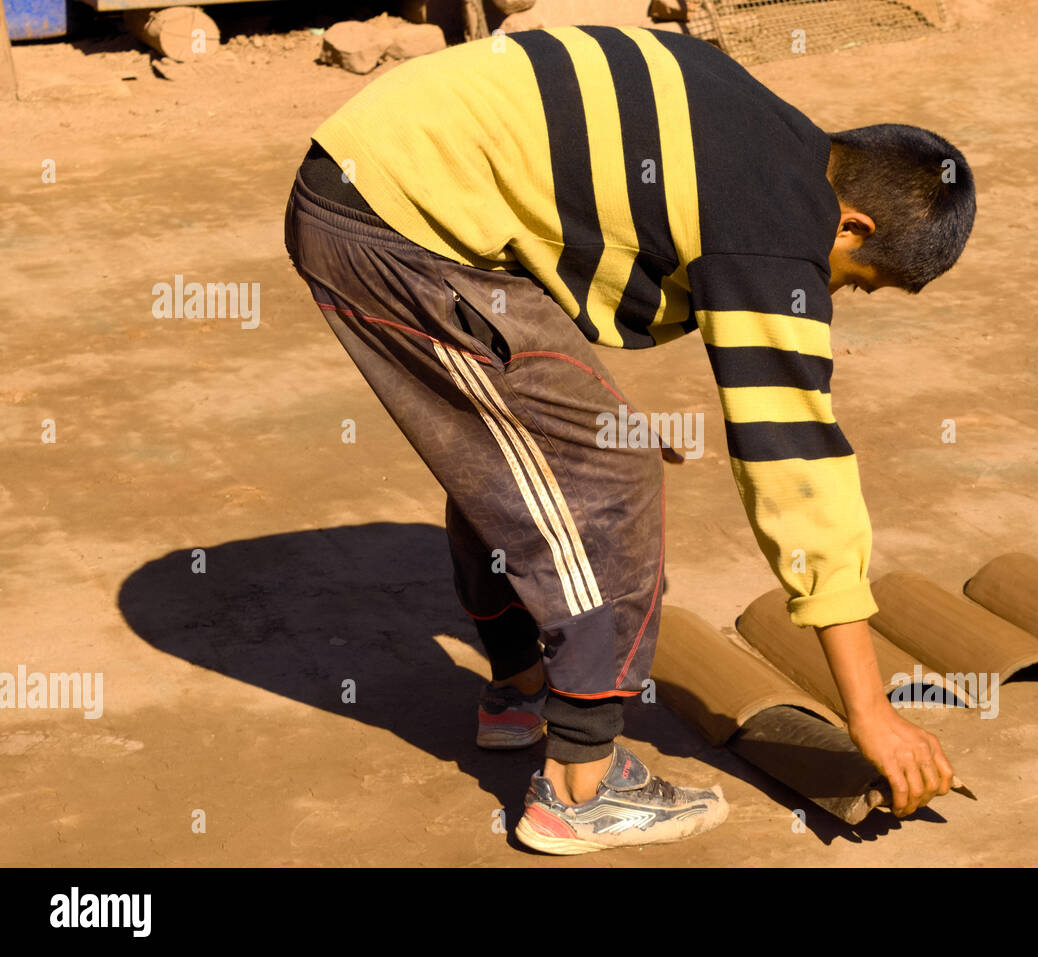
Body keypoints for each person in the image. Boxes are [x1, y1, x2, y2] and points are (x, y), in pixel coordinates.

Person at [283, 24, 975, 855]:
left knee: (537, 450)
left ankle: (519, 689)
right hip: (397, 218)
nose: (835, 298)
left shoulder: (769, 143)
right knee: (613, 477)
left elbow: (573, 204)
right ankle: (581, 784)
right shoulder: (776, 227)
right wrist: (870, 711)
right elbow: (797, 465)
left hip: (396, 178)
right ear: (853, 227)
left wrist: (588, 404)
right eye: (857, 285)